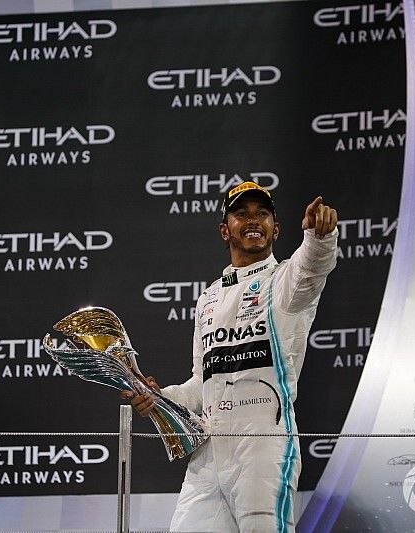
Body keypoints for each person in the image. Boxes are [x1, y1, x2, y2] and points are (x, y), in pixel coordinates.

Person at [123, 181, 338, 532]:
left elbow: (313, 265)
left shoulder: (284, 281)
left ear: (276, 229)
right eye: (241, 214)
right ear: (226, 230)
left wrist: (319, 236)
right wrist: (160, 397)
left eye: (262, 214)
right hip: (208, 452)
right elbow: (201, 383)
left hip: (263, 446)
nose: (253, 220)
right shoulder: (207, 298)